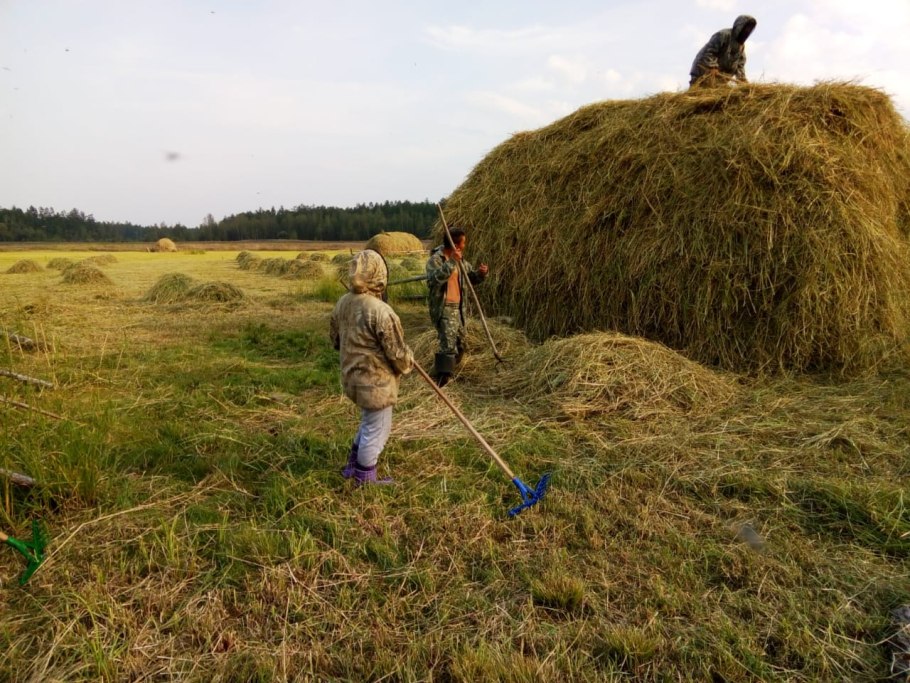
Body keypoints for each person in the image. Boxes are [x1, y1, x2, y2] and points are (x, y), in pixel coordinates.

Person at [330, 249, 414, 485]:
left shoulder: (343, 302)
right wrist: (408, 362)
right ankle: (365, 478)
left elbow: (335, 339)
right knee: (377, 430)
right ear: (378, 273)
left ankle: (352, 466)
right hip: (376, 382)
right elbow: (397, 353)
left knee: (368, 424)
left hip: (352, 376)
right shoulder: (381, 311)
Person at [425, 226, 488, 387]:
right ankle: (442, 382)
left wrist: (481, 274)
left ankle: (438, 369)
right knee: (448, 347)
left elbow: (471, 278)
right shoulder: (436, 260)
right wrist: (451, 261)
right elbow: (434, 280)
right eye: (463, 242)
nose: (465, 245)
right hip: (444, 309)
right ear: (455, 244)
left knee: (461, 345)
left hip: (459, 309)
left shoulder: (461, 262)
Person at [689, 15, 757, 88]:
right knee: (701, 90)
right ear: (739, 26)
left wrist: (742, 80)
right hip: (703, 72)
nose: (747, 31)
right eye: (746, 28)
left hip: (719, 79)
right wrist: (712, 66)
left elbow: (740, 66)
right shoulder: (723, 35)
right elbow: (709, 51)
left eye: (750, 29)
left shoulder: (741, 49)